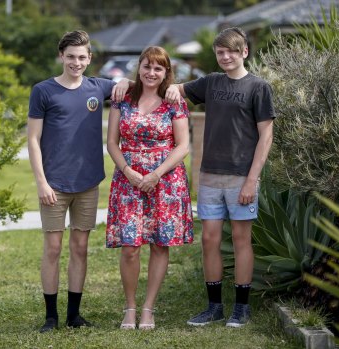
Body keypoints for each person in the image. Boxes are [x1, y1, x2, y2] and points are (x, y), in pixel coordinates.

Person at [164, 27, 275, 328]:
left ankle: (241, 308)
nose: (225, 57)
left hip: (242, 177)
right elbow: (176, 89)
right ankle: (214, 308)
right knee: (210, 240)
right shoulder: (211, 83)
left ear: (244, 52)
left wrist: (253, 179)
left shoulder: (258, 87)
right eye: (220, 52)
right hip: (209, 176)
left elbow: (266, 135)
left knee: (241, 240)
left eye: (231, 51)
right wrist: (174, 88)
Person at [27, 30, 118, 333]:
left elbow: (131, 86)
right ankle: (51, 316)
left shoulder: (98, 87)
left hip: (88, 184)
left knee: (80, 248)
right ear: (61, 57)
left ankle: (73, 315)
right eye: (71, 57)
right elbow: (33, 140)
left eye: (82, 57)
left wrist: (130, 82)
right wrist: (41, 182)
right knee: (53, 248)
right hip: (54, 185)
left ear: (90, 58)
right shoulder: (43, 91)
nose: (76, 62)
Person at [106, 46, 194, 330]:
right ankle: (129, 308)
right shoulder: (123, 98)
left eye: (158, 68)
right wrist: (128, 171)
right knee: (130, 247)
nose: (151, 73)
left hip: (165, 180)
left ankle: (148, 309)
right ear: (139, 68)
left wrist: (156, 173)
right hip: (128, 179)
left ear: (167, 72)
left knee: (159, 244)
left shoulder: (174, 102)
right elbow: (111, 143)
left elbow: (183, 146)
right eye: (147, 66)